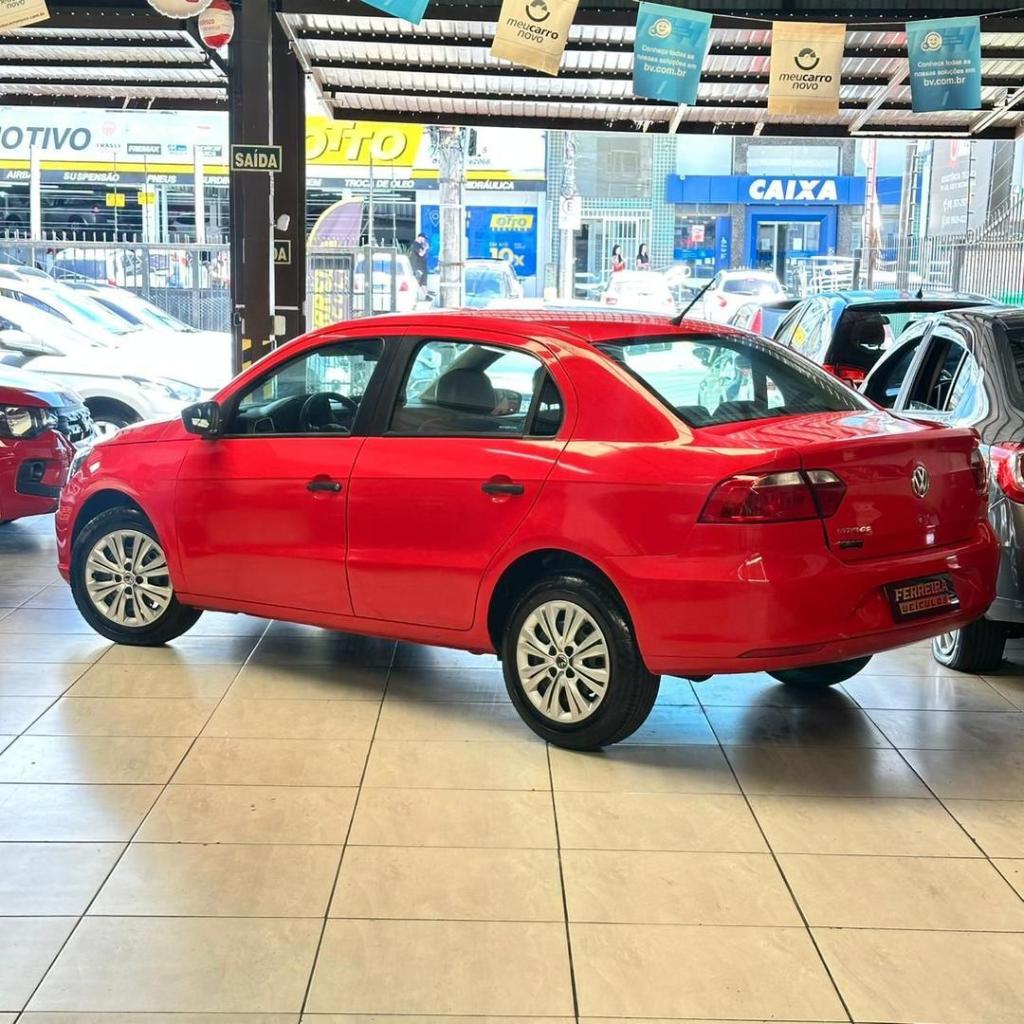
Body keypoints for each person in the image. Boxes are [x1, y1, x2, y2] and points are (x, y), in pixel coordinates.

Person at [409, 232, 429, 298]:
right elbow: (421, 254)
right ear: (420, 237)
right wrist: (425, 248)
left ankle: (426, 295)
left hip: (422, 267)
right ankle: (413, 297)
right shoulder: (416, 244)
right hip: (417, 267)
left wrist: (424, 247)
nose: (424, 240)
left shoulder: (420, 245)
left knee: (423, 283)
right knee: (417, 283)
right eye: (424, 238)